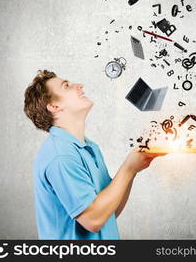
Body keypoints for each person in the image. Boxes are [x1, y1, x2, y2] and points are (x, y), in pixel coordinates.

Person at [24, 70, 157, 240]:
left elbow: (109, 212)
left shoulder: (89, 147)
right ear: (54, 107)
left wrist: (134, 168)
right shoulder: (60, 156)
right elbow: (93, 220)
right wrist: (128, 169)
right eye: (67, 86)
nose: (79, 86)